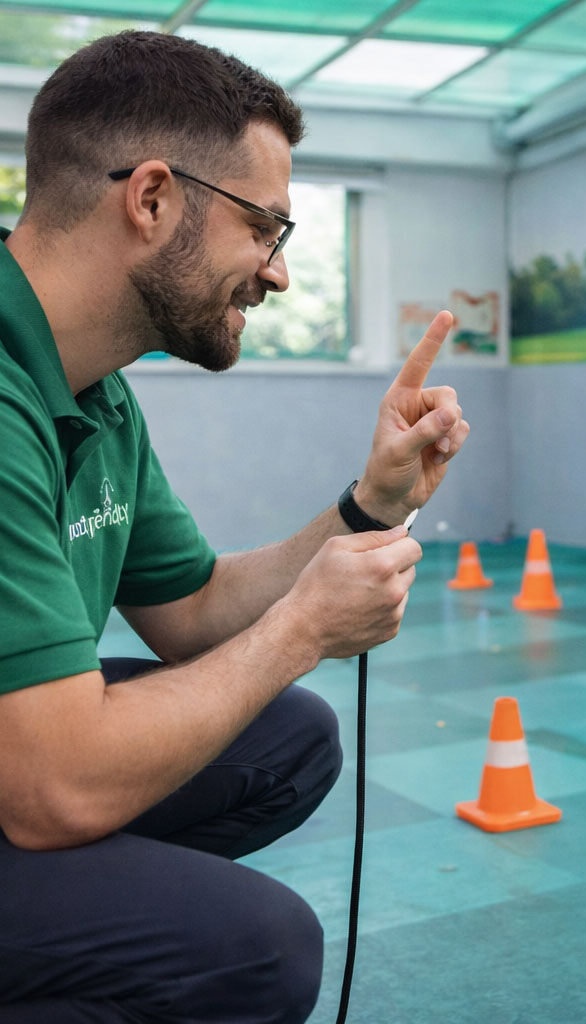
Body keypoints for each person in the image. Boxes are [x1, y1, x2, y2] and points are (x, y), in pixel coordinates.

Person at [0, 29, 469, 1023]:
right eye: (266, 228)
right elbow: (53, 791)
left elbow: (199, 610)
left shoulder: (96, 392)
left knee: (289, 738)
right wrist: (303, 629)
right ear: (153, 199)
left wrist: (370, 504)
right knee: (252, 951)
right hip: (28, 774)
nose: (278, 274)